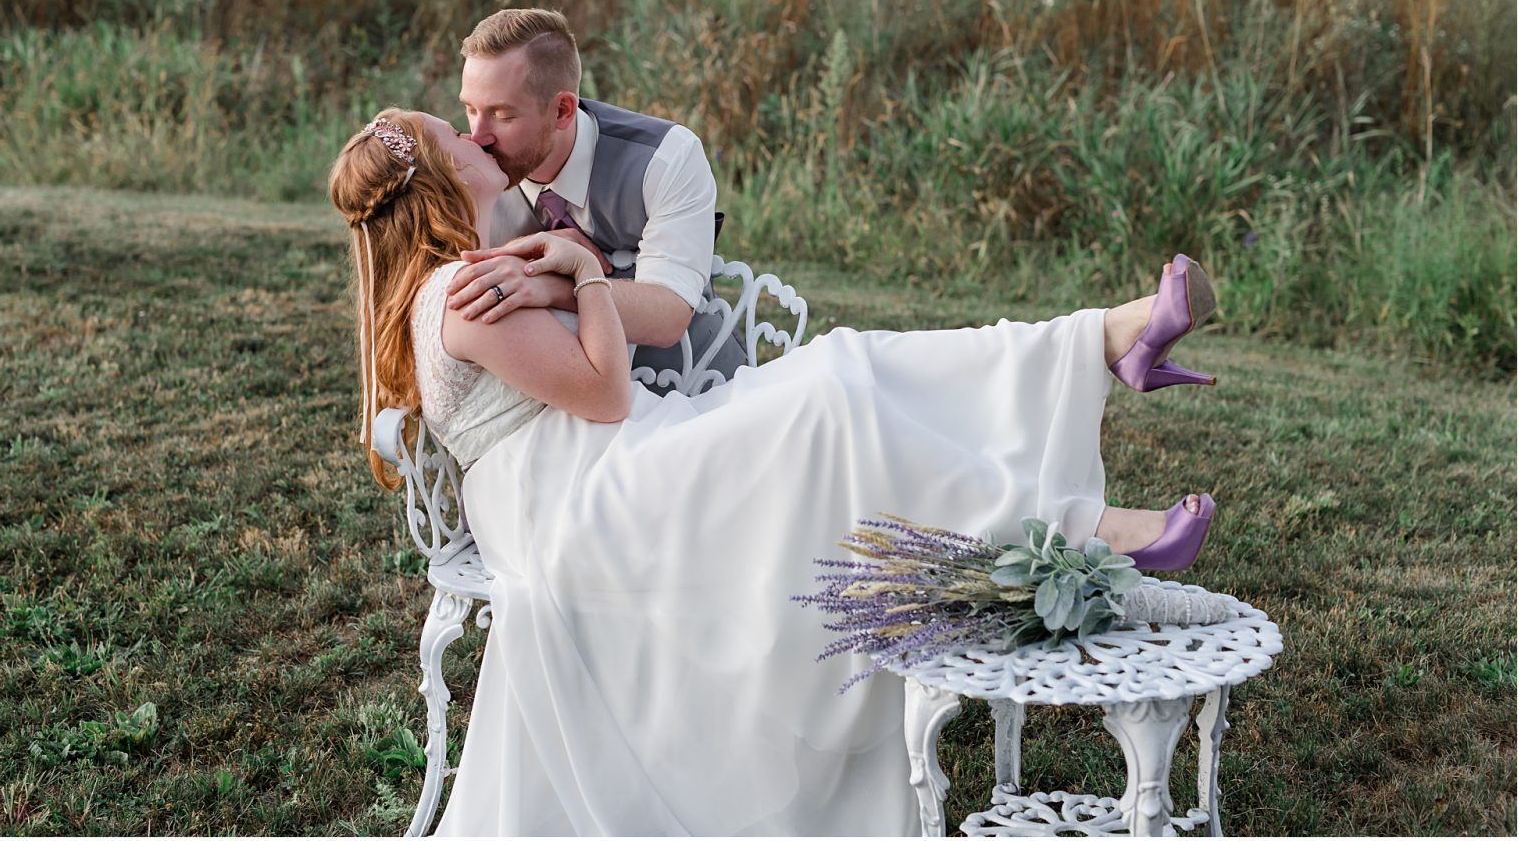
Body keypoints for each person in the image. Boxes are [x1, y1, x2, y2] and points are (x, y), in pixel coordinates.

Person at [329, 110, 1219, 836]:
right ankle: (1083, 499)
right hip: (590, 502)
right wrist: (587, 276)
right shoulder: (459, 291)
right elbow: (603, 394)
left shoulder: (464, 275)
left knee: (841, 370)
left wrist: (571, 274)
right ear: (440, 181)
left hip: (619, 462)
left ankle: (1100, 343)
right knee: (833, 398)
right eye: (456, 138)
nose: (475, 138)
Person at [443, 7, 747, 388]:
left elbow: (668, 313)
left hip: (698, 392)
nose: (478, 136)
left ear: (562, 110)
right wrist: (536, 251)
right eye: (470, 109)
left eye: (502, 115)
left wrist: (552, 281)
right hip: (556, 407)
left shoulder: (666, 158)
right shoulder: (474, 174)